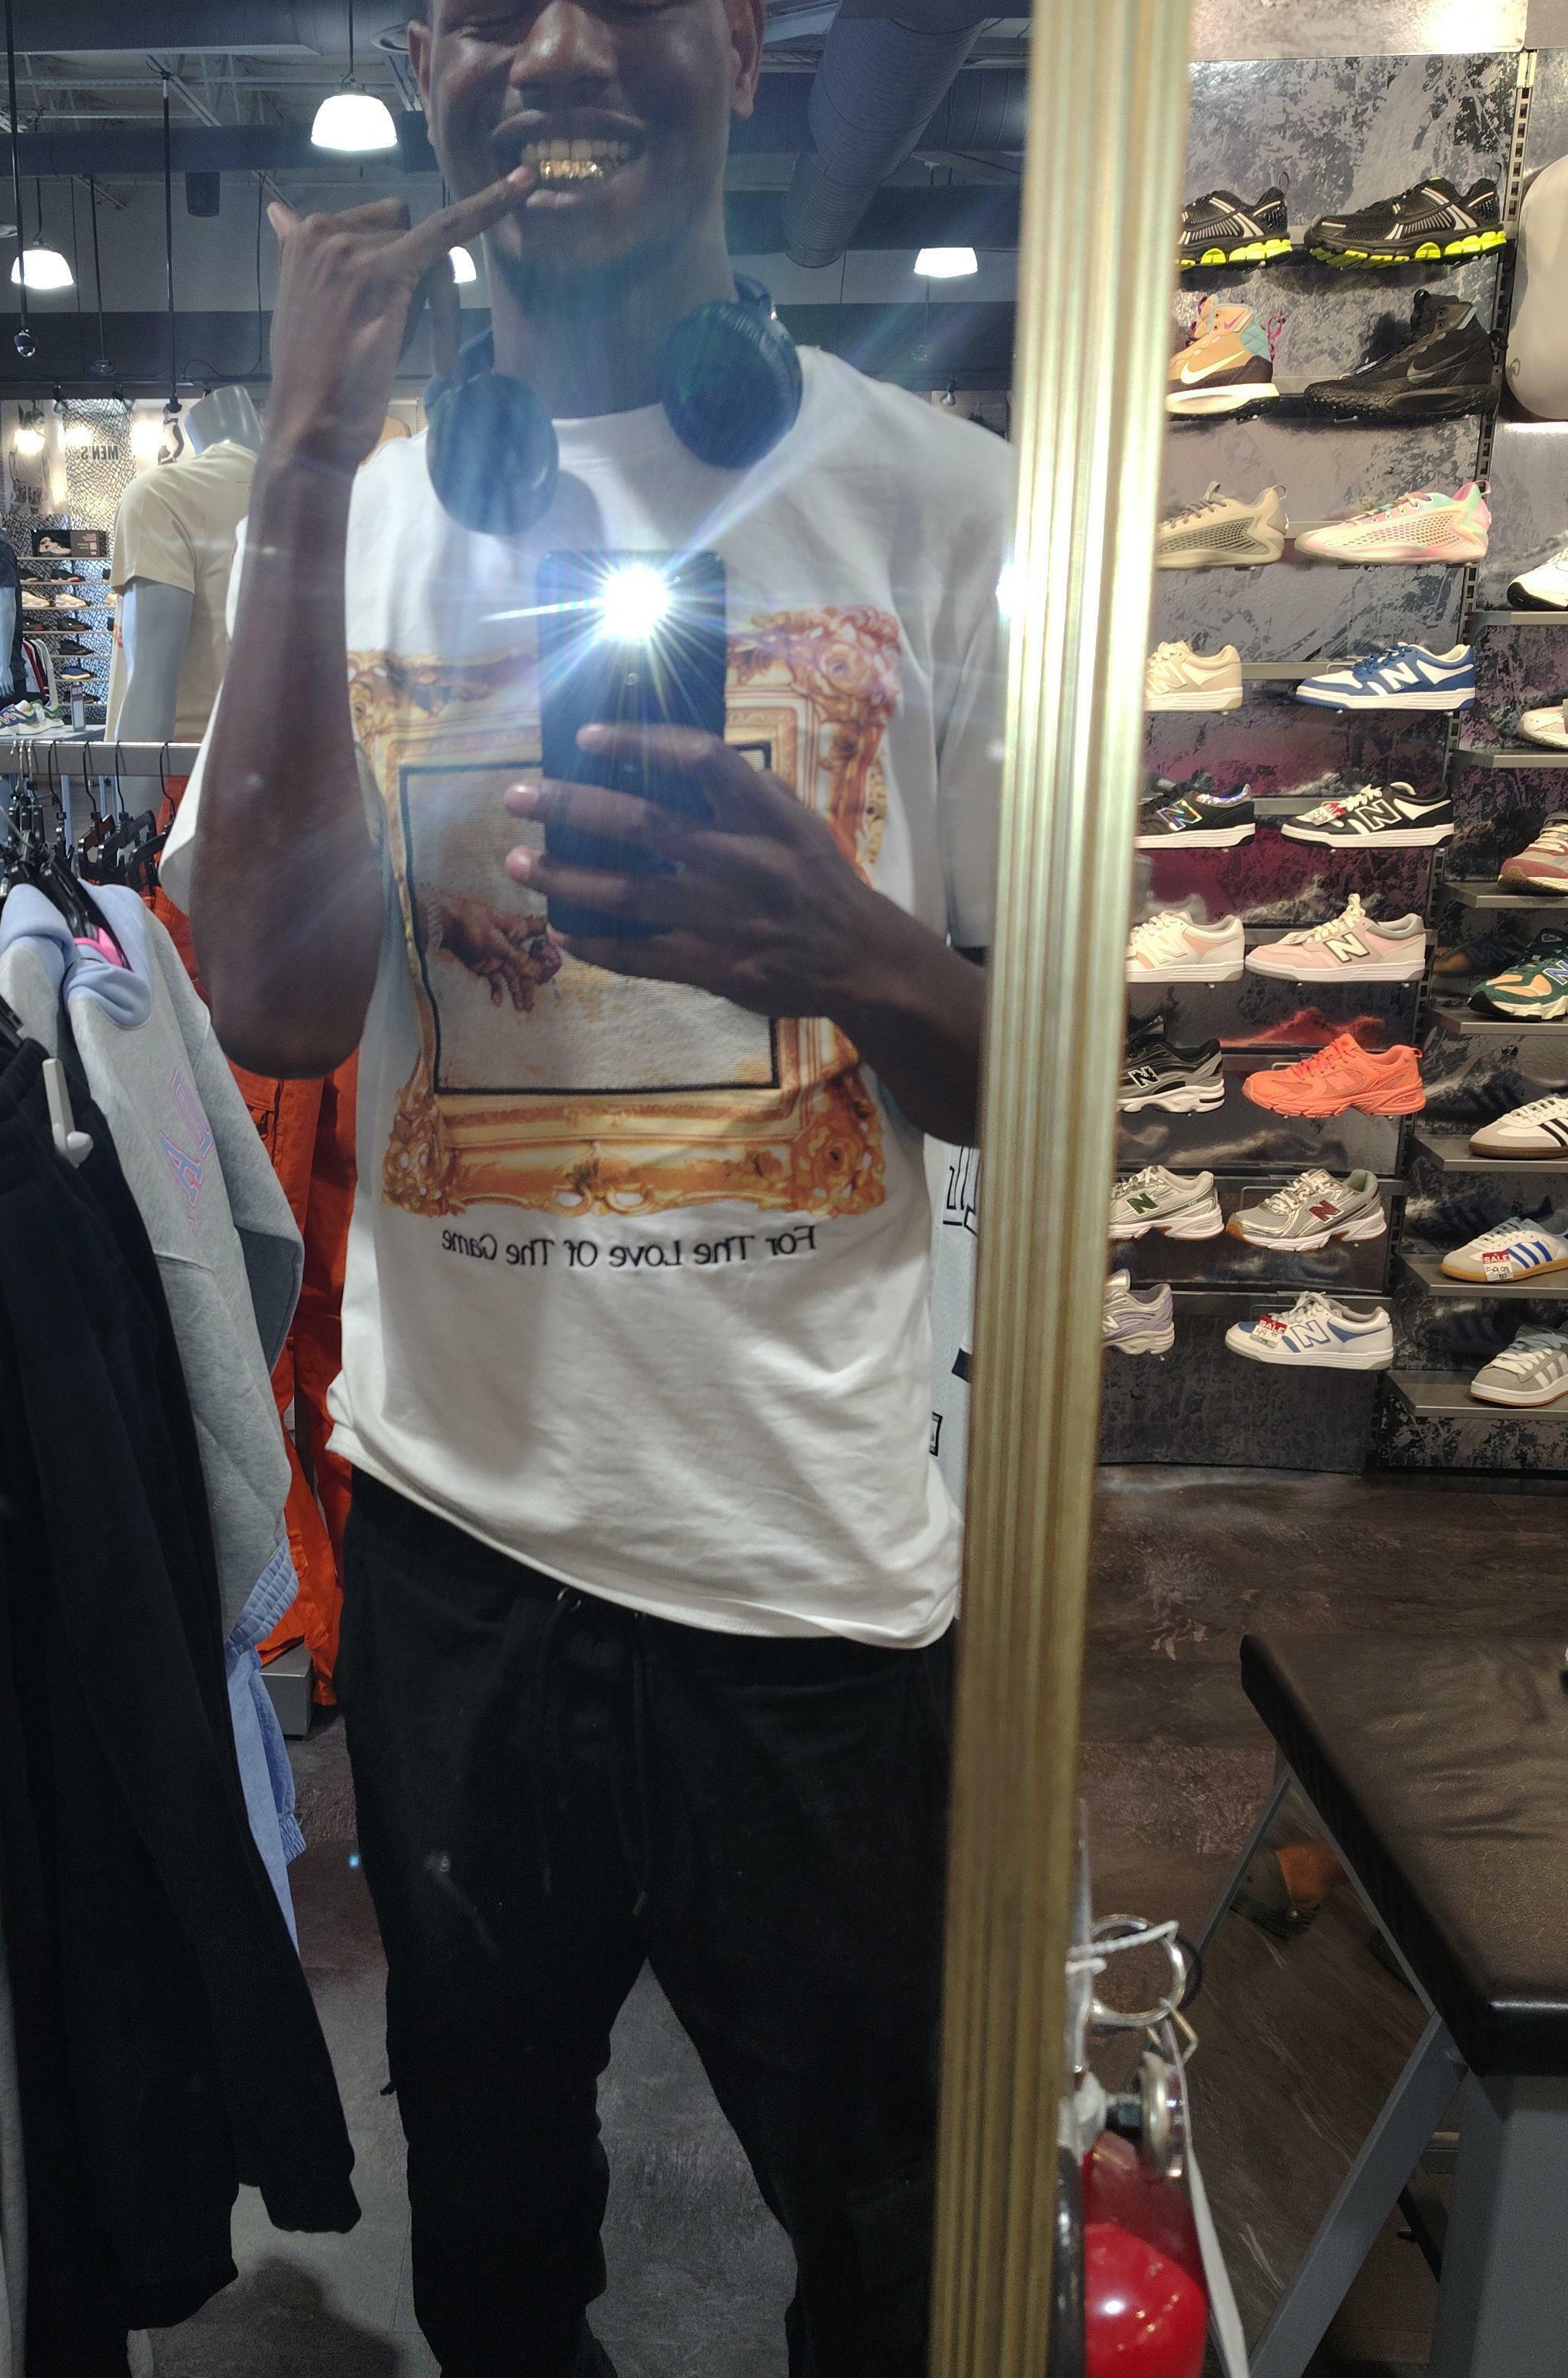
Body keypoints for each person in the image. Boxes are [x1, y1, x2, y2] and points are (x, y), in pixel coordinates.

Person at [163, 0, 1009, 2368]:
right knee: (497, 2228)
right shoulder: (357, 523)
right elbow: (274, 1006)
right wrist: (301, 468)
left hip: (817, 1572)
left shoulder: (947, 510)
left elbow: (1068, 1087)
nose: (554, 52)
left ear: (736, 45)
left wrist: (847, 951)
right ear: (427, 55)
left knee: (894, 2240)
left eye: (625, 2)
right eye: (486, 10)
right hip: (463, 1565)